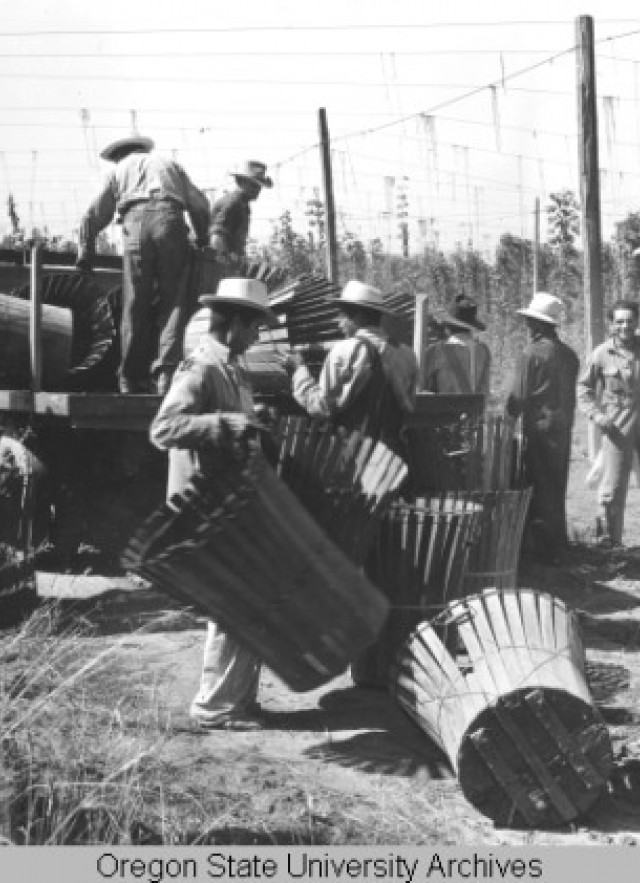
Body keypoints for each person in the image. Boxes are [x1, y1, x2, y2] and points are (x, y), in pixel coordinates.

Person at [149, 278, 278, 730]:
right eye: (255, 326)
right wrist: (227, 423)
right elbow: (163, 430)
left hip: (230, 501)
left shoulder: (235, 368)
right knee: (232, 601)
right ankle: (215, 706)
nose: (258, 335)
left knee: (244, 599)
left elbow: (237, 423)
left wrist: (254, 423)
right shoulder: (201, 367)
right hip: (205, 502)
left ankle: (237, 698)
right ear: (236, 323)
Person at [77, 134, 210, 395]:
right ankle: (165, 376)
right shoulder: (169, 164)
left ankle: (130, 379)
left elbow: (94, 212)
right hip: (170, 221)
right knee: (174, 302)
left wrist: (86, 250)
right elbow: (200, 204)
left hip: (134, 224)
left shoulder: (119, 170)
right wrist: (203, 238)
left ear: (118, 155)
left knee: (135, 302)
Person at [281, 281, 418, 456]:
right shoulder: (407, 354)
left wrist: (300, 371)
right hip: (393, 458)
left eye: (342, 316)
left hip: (356, 454)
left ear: (358, 316)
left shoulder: (346, 350)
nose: (339, 324)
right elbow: (409, 406)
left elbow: (322, 407)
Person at [505, 291, 580, 564]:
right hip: (562, 429)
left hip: (537, 428)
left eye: (529, 322)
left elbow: (520, 396)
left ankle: (540, 550)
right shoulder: (569, 355)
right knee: (555, 485)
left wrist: (508, 418)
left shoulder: (531, 353)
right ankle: (557, 545)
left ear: (538, 325)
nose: (527, 326)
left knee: (534, 483)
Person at [577, 299, 640, 547]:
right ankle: (614, 545)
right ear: (612, 325)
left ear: (637, 322)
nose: (625, 326)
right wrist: (597, 415)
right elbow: (584, 388)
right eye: (619, 321)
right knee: (613, 488)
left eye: (630, 320)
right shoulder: (602, 354)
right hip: (618, 425)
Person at [208, 160, 273, 278]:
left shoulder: (243, 205)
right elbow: (216, 239)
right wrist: (227, 268)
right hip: (219, 271)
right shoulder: (232, 204)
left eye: (259, 186)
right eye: (254, 185)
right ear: (241, 182)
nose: (258, 189)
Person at [421, 294, 491, 397]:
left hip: (443, 411)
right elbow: (484, 390)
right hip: (473, 411)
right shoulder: (484, 350)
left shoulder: (435, 351)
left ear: (447, 327)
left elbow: (423, 390)